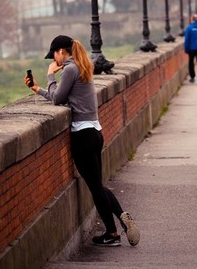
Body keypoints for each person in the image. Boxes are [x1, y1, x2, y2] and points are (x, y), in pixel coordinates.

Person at [24, 35, 140, 247]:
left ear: (61, 51)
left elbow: (58, 99)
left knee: (96, 188)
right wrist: (37, 89)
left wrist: (50, 76)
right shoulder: (83, 65)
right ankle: (114, 229)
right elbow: (63, 96)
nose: (54, 61)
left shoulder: (69, 69)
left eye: (54, 56)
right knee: (98, 186)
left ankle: (118, 224)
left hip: (82, 136)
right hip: (95, 132)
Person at [184, 14, 197, 85]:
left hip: (191, 48)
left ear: (192, 19)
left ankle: (192, 77)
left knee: (191, 62)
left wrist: (186, 49)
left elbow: (187, 39)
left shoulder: (189, 28)